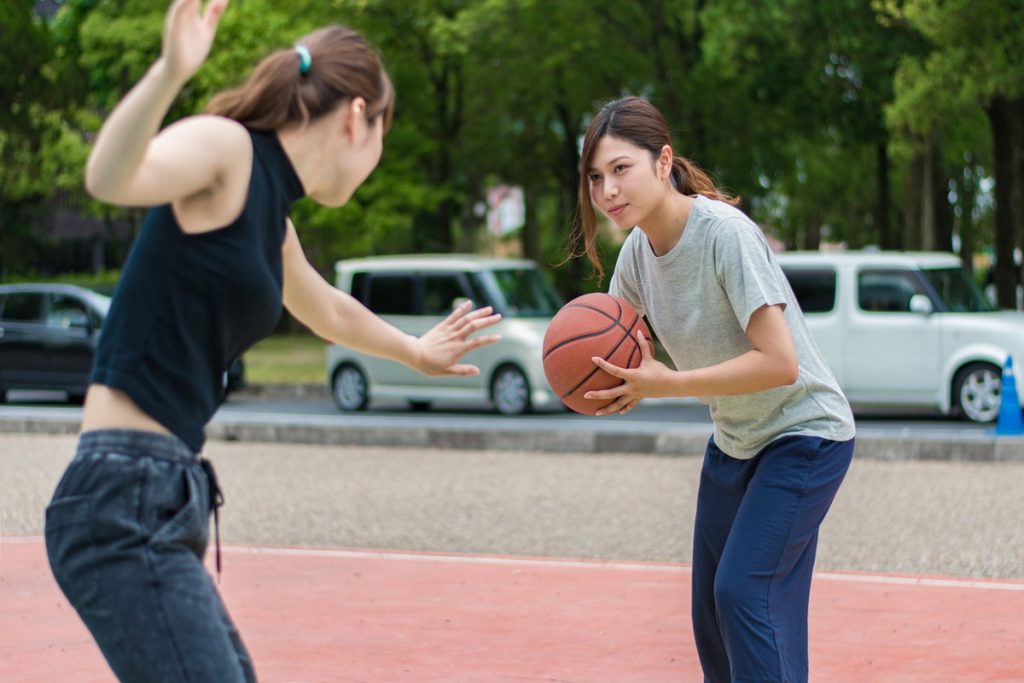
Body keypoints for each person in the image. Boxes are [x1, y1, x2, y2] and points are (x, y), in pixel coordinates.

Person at [43, 1, 501, 681]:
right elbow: (108, 178)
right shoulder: (228, 151)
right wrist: (171, 71)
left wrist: (416, 351)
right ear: (355, 117)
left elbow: (330, 312)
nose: (378, 154)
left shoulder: (272, 219)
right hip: (122, 493)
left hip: (162, 495)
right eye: (384, 132)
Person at [572, 96, 856, 683]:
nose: (607, 190)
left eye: (621, 169)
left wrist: (666, 384)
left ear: (662, 161)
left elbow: (780, 363)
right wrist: (601, 381)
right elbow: (612, 348)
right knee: (711, 609)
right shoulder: (636, 257)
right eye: (596, 177)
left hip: (806, 434)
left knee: (743, 594)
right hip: (736, 439)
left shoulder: (724, 234)